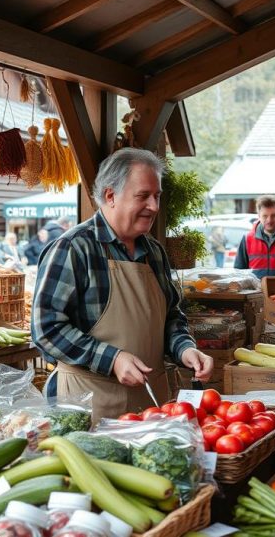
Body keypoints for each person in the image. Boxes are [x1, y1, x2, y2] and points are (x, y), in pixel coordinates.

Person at [33, 148, 213, 421]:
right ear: (110, 196)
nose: (154, 206)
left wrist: (184, 348)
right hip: (87, 406)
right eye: (143, 196)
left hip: (151, 403)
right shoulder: (73, 249)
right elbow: (46, 329)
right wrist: (112, 359)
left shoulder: (154, 252)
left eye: (157, 196)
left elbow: (171, 315)